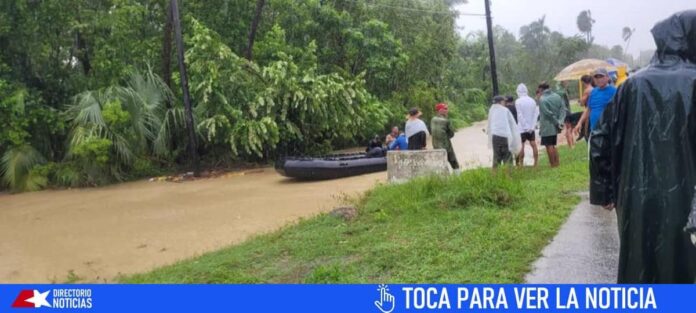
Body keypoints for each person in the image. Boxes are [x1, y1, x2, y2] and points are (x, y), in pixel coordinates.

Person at [589, 10, 696, 283]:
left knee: (641, 260)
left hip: (637, 195)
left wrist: (605, 192)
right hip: (687, 197)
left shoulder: (630, 86)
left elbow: (600, 139)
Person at [573, 68, 617, 136]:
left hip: (609, 130)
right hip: (594, 129)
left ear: (607, 77)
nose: (598, 79)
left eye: (601, 76)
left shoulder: (614, 91)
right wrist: (579, 123)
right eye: (596, 77)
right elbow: (588, 109)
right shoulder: (593, 92)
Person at [487, 95, 521, 174]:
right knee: (507, 157)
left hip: (495, 136)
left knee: (496, 156)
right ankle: (508, 176)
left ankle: (494, 175)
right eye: (504, 101)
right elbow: (512, 124)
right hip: (505, 136)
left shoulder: (491, 110)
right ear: (500, 102)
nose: (505, 103)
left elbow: (489, 125)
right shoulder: (505, 110)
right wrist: (514, 138)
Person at [538, 82, 565, 167]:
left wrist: (556, 121)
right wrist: (560, 121)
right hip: (556, 125)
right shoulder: (557, 96)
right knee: (553, 145)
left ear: (541, 89)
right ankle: (557, 163)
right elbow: (562, 109)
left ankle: (553, 164)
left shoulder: (542, 99)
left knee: (548, 145)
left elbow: (547, 113)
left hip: (547, 125)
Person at [514, 83, 539, 167]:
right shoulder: (532, 100)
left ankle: (521, 165)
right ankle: (536, 163)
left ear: (518, 92)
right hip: (531, 128)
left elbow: (519, 115)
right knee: (533, 144)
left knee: (521, 145)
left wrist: (525, 127)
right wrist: (532, 126)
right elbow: (536, 114)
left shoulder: (518, 101)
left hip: (521, 128)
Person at [430, 102, 459, 170]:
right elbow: (451, 134)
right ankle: (457, 177)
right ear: (440, 111)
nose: (447, 110)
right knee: (454, 162)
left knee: (440, 164)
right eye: (445, 109)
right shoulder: (446, 121)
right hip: (446, 146)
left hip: (435, 146)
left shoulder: (432, 119)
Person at [574, 74, 594, 142]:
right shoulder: (594, 89)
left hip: (588, 112)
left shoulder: (587, 90)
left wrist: (580, 101)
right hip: (593, 111)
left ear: (583, 82)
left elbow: (582, 103)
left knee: (586, 132)